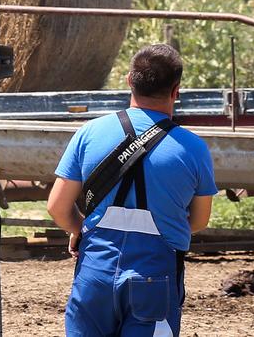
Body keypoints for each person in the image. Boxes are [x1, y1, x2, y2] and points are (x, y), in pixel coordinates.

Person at [46, 43, 217, 337]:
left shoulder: (89, 132)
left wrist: (79, 229)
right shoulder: (194, 148)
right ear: (176, 90)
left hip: (95, 271)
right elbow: (199, 221)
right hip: (154, 276)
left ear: (129, 80)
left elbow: (57, 207)